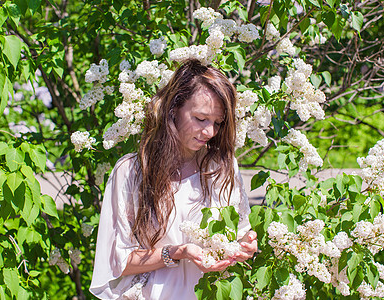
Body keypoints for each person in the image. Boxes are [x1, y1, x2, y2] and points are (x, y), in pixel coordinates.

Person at [90, 59, 258, 299]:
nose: (210, 132)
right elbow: (119, 261)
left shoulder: (222, 166)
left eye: (218, 123)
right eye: (201, 118)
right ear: (173, 109)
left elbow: (240, 231)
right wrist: (178, 252)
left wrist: (246, 245)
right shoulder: (132, 172)